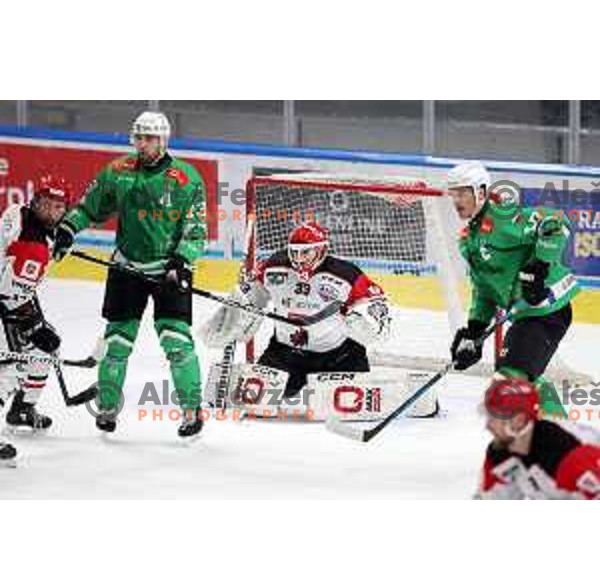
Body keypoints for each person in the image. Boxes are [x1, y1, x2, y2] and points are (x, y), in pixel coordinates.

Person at [52, 111, 207, 438]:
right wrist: (67, 228)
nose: (143, 143)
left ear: (163, 140)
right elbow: (88, 208)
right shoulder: (117, 171)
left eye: (150, 138)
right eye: (139, 137)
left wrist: (181, 261)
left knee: (177, 342)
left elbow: (196, 231)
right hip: (126, 267)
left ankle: (192, 411)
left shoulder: (187, 178)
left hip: (169, 270)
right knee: (116, 344)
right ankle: (108, 408)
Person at [200, 220, 426, 414]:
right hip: (285, 354)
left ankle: (417, 395)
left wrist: (362, 320)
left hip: (337, 356)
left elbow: (376, 304)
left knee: (356, 405)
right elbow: (249, 296)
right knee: (252, 402)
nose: (298, 258)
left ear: (321, 250)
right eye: (294, 252)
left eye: (305, 252)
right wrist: (235, 313)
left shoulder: (346, 274)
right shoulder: (274, 267)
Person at [447, 161, 578, 417]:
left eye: (462, 192)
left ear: (481, 192)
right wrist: (474, 330)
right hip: (525, 316)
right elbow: (484, 289)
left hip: (547, 310)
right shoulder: (468, 240)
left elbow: (558, 224)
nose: (456, 200)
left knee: (510, 378)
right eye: (453, 193)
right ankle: (565, 436)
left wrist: (539, 266)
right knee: (516, 380)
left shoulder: (504, 217)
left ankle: (566, 439)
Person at [0, 174, 75, 465]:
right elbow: (10, 298)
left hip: (8, 295)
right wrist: (34, 328)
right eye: (46, 204)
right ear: (36, 201)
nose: (51, 211)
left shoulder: (16, 211)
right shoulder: (34, 249)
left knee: (45, 350)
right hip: (5, 302)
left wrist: (55, 241)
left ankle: (23, 409)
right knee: (11, 366)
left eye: (58, 207)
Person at [476, 378, 600, 499]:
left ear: (519, 420)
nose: (487, 426)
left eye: (493, 419)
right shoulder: (499, 454)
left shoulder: (569, 453)